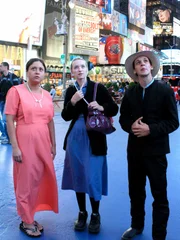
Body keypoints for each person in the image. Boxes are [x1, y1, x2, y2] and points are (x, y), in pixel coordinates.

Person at [119, 51, 179, 240]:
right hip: (134, 152)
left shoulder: (165, 90)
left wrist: (150, 129)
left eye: (146, 61)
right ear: (135, 70)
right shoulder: (130, 92)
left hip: (156, 152)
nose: (143, 64)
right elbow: (122, 120)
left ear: (151, 66)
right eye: (138, 62)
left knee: (159, 195)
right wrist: (131, 126)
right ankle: (136, 225)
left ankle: (159, 235)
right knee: (135, 192)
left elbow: (173, 121)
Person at [61, 57, 118, 234]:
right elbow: (65, 116)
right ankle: (82, 212)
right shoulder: (71, 90)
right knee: (78, 175)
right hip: (75, 139)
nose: (79, 70)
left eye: (82, 66)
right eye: (76, 67)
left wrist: (101, 107)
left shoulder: (98, 88)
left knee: (93, 177)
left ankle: (95, 214)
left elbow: (113, 108)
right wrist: (73, 101)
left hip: (94, 139)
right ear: (72, 71)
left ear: (87, 69)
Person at [5, 58, 58, 237]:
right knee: (25, 181)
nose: (37, 72)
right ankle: (26, 220)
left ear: (44, 73)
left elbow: (50, 121)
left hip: (43, 142)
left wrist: (54, 144)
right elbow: (10, 120)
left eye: (40, 69)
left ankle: (31, 214)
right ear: (27, 72)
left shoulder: (46, 94)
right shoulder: (16, 91)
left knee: (40, 179)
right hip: (25, 142)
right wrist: (15, 147)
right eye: (33, 68)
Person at [0, 62, 20, 144]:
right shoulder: (1, 78)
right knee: (5, 120)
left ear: (6, 67)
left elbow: (18, 88)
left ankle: (10, 138)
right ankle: (7, 137)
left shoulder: (13, 77)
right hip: (2, 101)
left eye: (1, 66)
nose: (0, 67)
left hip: (9, 101)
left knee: (7, 120)